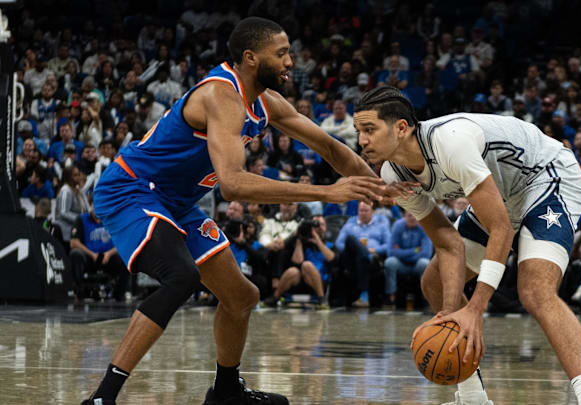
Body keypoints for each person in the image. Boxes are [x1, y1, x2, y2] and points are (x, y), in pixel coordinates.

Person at [87, 17, 392, 405]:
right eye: (281, 54)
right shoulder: (221, 96)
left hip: (176, 202)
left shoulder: (265, 101)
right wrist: (326, 193)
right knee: (180, 276)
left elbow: (331, 149)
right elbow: (231, 183)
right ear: (250, 58)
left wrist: (382, 190)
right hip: (131, 190)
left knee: (242, 296)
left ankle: (227, 392)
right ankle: (101, 399)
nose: (289, 62)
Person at [354, 86, 581, 405]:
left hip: (546, 176)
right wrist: (449, 310)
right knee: (434, 282)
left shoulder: (450, 142)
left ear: (401, 128)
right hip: (499, 193)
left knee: (535, 289)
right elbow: (446, 244)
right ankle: (472, 398)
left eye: (369, 129)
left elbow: (501, 229)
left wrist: (475, 308)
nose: (362, 140)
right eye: (359, 131)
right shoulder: (393, 174)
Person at [263, 215, 335, 307]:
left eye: (321, 224)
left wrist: (318, 241)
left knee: (307, 265)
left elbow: (332, 259)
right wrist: (299, 240)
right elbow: (297, 262)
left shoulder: (330, 244)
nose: (318, 228)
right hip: (303, 280)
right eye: (315, 225)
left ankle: (322, 299)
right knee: (293, 271)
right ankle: (275, 298)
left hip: (320, 283)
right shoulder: (304, 242)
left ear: (325, 227)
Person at [70, 198, 130, 302]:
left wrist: (108, 254)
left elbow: (123, 241)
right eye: (94, 205)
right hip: (89, 256)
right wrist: (92, 254)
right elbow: (74, 243)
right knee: (75, 254)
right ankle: (79, 291)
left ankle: (120, 294)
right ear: (90, 205)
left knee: (127, 256)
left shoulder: (113, 219)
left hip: (108, 257)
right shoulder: (81, 219)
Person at [335, 201, 392, 308]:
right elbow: (339, 243)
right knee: (351, 239)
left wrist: (375, 250)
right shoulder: (350, 224)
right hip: (351, 260)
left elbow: (389, 244)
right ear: (357, 211)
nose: (363, 213)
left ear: (372, 212)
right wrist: (360, 250)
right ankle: (364, 296)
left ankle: (364, 296)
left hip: (374, 259)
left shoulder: (381, 225)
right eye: (361, 210)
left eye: (366, 210)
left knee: (363, 258)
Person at [384, 210, 433, 307]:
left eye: (415, 215)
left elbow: (426, 254)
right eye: (410, 215)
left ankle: (426, 296)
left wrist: (402, 253)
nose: (413, 218)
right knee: (390, 262)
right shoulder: (398, 225)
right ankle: (391, 295)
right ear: (404, 216)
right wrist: (414, 251)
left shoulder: (425, 225)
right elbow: (391, 252)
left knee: (424, 263)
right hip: (401, 264)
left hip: (417, 265)